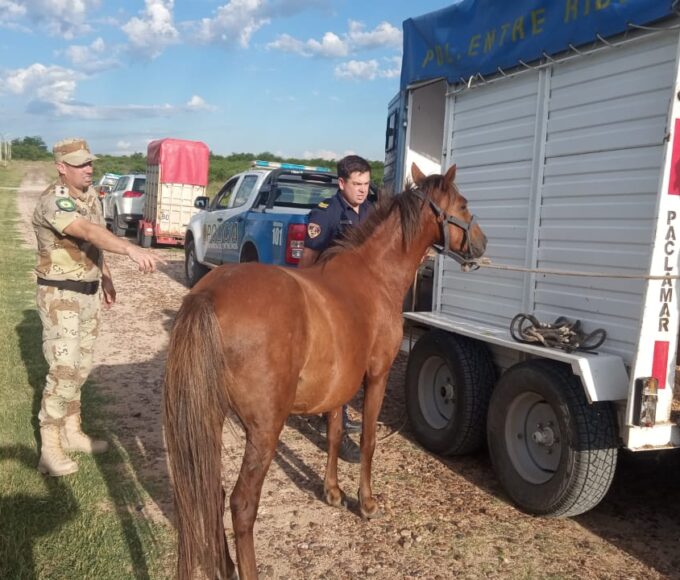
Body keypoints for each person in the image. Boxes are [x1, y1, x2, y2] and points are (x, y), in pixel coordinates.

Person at [32, 138, 164, 477]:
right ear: (61, 167)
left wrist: (105, 277)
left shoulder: (90, 196)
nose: (88, 169)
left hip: (87, 294)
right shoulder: (54, 200)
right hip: (61, 295)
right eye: (80, 164)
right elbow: (87, 230)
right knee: (63, 369)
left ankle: (72, 431)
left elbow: (94, 242)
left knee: (80, 366)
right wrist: (131, 249)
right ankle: (49, 448)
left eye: (90, 162)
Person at [299, 154, 373, 463]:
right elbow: (308, 259)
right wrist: (303, 296)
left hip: (360, 300)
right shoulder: (326, 213)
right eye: (357, 184)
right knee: (339, 363)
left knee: (355, 360)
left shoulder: (370, 211)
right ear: (341, 183)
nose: (362, 190)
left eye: (366, 183)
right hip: (331, 302)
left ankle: (337, 415)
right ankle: (337, 431)